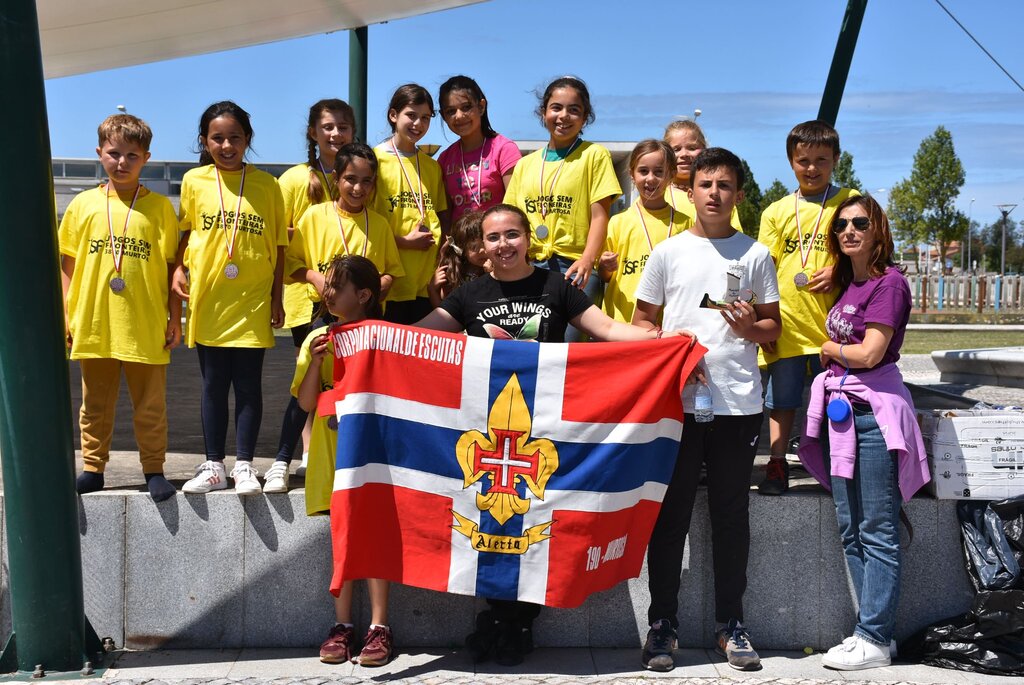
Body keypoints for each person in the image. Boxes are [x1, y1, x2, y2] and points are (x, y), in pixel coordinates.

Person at [417, 204, 692, 664]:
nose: (503, 245)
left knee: (534, 520)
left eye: (512, 234)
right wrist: (364, 337)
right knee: (489, 521)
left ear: (528, 238)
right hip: (487, 432)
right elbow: (420, 338)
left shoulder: (556, 286)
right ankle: (495, 618)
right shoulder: (470, 294)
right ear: (482, 245)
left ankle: (519, 622)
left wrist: (663, 341)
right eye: (493, 237)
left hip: (544, 428)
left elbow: (607, 329)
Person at [632, 148, 780, 672]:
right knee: (669, 514)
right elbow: (642, 325)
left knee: (730, 516)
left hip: (738, 404)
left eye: (724, 185)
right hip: (676, 403)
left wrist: (749, 328)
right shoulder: (667, 253)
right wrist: (676, 357)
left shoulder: (755, 254)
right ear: (688, 190)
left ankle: (731, 625)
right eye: (705, 184)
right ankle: (662, 625)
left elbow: (773, 329)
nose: (714, 193)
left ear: (738, 195)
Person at [799, 195, 928, 670]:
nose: (849, 230)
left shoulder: (889, 283)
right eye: (841, 225)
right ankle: (873, 633)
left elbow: (871, 352)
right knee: (851, 529)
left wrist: (829, 348)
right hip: (843, 417)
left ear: (878, 231)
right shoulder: (848, 282)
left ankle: (874, 635)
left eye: (860, 222)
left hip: (873, 414)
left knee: (877, 529)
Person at [269, 142, 403, 492]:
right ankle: (282, 459)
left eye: (366, 181)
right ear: (336, 179)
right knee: (307, 385)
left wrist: (376, 287)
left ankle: (361, 460)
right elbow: (293, 264)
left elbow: (392, 271)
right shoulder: (315, 216)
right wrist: (317, 279)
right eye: (350, 179)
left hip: (367, 323)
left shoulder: (379, 224)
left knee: (361, 391)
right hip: (324, 317)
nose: (358, 188)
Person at [60, 113, 180, 503]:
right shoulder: (83, 205)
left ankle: (154, 469)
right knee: (94, 402)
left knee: (150, 404)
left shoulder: (160, 208)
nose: (122, 162)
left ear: (146, 158)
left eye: (132, 155)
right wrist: (67, 314)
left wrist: (174, 318)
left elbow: (171, 268)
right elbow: (67, 266)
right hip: (95, 321)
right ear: (99, 153)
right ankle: (93, 467)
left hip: (144, 321)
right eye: (114, 153)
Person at [172, 101, 287, 495]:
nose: (226, 146)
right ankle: (213, 466)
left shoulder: (267, 186)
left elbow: (279, 246)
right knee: (213, 386)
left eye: (234, 137)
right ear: (204, 141)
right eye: (217, 138)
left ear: (247, 139)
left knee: (249, 385)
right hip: (210, 300)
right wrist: (177, 268)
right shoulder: (194, 180)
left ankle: (244, 466)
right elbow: (186, 233)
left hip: (252, 300)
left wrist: (277, 298)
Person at [296, 255, 396, 667]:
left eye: (337, 286)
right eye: (327, 284)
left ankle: (380, 626)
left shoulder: (386, 337)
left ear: (365, 294)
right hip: (330, 453)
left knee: (374, 535)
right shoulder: (317, 338)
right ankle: (342, 626)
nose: (328, 292)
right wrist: (317, 362)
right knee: (342, 537)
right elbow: (305, 402)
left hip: (372, 454)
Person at [756, 120, 859, 495]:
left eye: (821, 160)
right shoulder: (776, 211)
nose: (812, 168)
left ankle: (837, 464)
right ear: (791, 161)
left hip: (834, 329)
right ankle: (777, 463)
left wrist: (839, 269)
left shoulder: (850, 202)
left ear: (836, 160)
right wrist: (763, 320)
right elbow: (763, 268)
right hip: (786, 324)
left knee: (837, 400)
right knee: (781, 402)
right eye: (803, 161)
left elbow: (870, 250)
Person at [273, 99, 357, 481]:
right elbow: (279, 234)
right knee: (309, 371)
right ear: (313, 132)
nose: (336, 134)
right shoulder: (294, 179)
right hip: (305, 293)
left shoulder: (357, 173)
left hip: (350, 296)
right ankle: (308, 448)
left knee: (344, 372)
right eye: (328, 127)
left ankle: (337, 445)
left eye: (343, 127)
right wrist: (306, 232)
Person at [504, 76, 621, 341]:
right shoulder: (526, 164)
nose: (563, 116)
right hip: (529, 267)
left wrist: (587, 259)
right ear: (543, 112)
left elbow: (600, 215)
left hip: (575, 268)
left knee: (568, 352)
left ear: (585, 117)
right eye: (556, 107)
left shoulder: (595, 155)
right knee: (530, 346)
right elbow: (512, 220)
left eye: (574, 110)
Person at [372, 84, 448, 325]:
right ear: (393, 115)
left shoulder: (431, 166)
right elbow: (363, 225)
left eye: (425, 118)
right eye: (411, 115)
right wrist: (404, 242)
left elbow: (440, 217)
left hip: (424, 283)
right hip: (388, 281)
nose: (418, 124)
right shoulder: (373, 161)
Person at [599, 139, 690, 323]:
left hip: (668, 322)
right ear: (632, 174)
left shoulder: (685, 223)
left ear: (671, 175)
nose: (650, 178)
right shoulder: (618, 222)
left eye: (659, 172)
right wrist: (604, 266)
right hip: (621, 321)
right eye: (643, 171)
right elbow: (604, 276)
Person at [437, 76, 521, 225]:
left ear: (481, 107)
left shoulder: (504, 149)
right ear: (444, 116)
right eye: (451, 111)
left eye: (466, 107)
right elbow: (446, 216)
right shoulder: (445, 158)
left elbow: (515, 207)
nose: (459, 116)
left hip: (496, 236)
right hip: (459, 239)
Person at [663, 120, 743, 231]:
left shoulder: (720, 198)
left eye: (692, 148)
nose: (684, 154)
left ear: (705, 150)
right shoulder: (658, 196)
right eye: (676, 149)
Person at [427, 210, 488, 306]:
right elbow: (444, 310)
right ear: (460, 249)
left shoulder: (500, 269)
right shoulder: (454, 272)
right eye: (474, 247)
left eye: (485, 244)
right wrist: (432, 290)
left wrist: (493, 274)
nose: (482, 250)